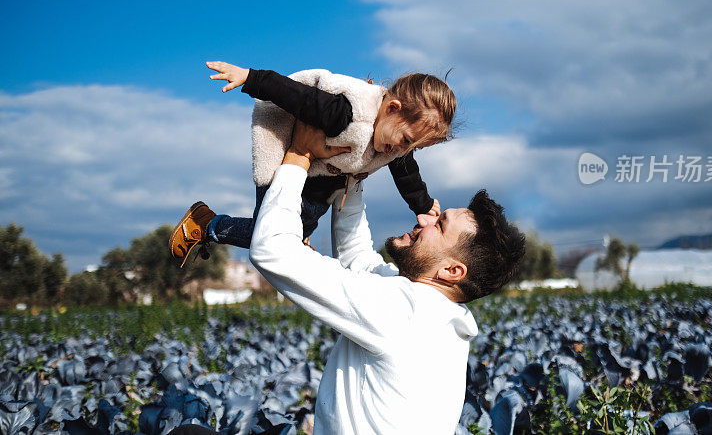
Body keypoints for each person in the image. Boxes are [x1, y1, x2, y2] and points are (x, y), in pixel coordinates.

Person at [249, 118, 525, 434]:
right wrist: (350, 171)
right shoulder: (436, 312)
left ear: (451, 271)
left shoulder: (405, 312)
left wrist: (299, 154)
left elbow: (271, 249)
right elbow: (357, 256)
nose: (424, 218)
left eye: (441, 225)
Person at [169, 61, 455, 266]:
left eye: (412, 146)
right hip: (287, 165)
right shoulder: (346, 113)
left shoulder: (395, 141)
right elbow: (297, 96)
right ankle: (207, 225)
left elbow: (407, 173)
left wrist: (422, 205)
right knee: (265, 234)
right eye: (406, 140)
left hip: (317, 180)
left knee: (295, 233)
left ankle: (295, 236)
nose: (403, 150)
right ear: (392, 109)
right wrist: (251, 78)